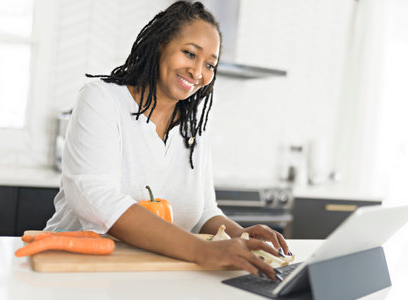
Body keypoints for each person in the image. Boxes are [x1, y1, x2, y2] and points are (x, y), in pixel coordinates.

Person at [45, 1, 289, 280]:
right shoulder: (101, 100)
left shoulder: (194, 126)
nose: (198, 72)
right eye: (189, 53)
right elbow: (97, 199)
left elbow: (202, 214)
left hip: (154, 275)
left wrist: (239, 234)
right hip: (76, 273)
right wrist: (202, 251)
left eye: (209, 64)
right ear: (161, 43)